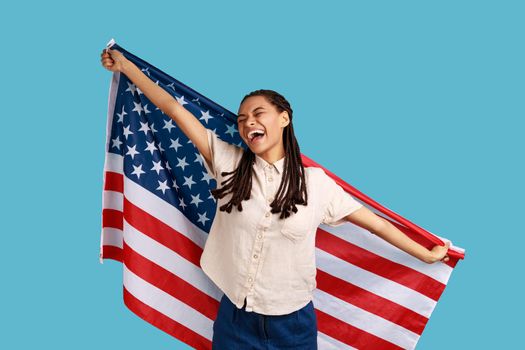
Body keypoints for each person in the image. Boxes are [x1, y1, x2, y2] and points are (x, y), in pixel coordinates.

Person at [100, 48, 450, 349]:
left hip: (293, 328)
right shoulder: (227, 162)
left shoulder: (317, 185)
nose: (247, 122)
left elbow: (376, 226)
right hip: (235, 321)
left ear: (284, 118)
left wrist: (425, 253)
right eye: (241, 119)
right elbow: (175, 110)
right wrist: (127, 69)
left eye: (257, 113)